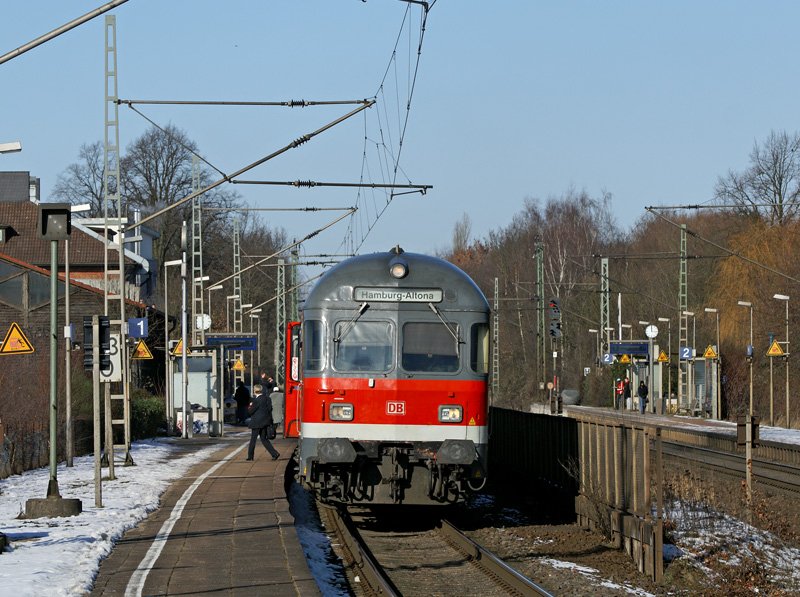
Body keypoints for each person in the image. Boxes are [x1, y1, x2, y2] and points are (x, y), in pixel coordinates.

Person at [246, 383, 280, 461]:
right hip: (265, 422)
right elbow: (270, 409)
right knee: (264, 439)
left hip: (256, 423)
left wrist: (250, 406)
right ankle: (274, 453)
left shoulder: (256, 400)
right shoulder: (268, 398)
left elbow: (250, 412)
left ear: (254, 391)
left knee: (253, 440)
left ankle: (250, 457)